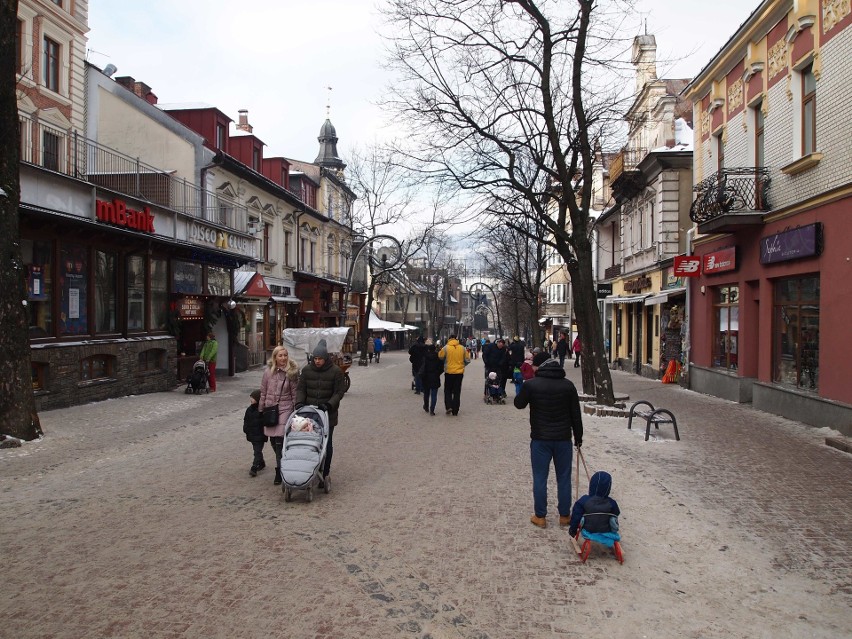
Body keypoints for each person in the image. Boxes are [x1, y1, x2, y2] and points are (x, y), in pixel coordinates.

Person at [513, 357, 583, 529]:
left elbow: (518, 404)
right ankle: (565, 515)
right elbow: (576, 414)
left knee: (540, 477)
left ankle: (540, 516)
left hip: (540, 439)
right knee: (564, 478)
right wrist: (579, 437)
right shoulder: (568, 385)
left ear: (539, 367)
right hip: (563, 439)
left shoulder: (532, 385)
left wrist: (523, 384)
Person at [296, 339, 346, 488]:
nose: (317, 361)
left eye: (320, 359)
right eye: (315, 358)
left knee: (326, 443)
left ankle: (325, 472)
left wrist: (329, 404)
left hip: (327, 414)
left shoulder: (336, 371)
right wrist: (299, 403)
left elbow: (339, 392)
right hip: (309, 414)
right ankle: (310, 470)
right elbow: (301, 389)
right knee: (309, 443)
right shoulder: (306, 370)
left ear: (326, 359)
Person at [259, 345, 299, 485]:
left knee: (279, 439)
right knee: (273, 440)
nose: (283, 358)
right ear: (275, 357)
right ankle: (281, 460)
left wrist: (295, 411)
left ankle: (279, 470)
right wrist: (261, 408)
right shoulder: (267, 372)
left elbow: (294, 393)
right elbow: (263, 391)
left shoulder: (291, 373)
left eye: (285, 355)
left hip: (285, 408)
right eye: (280, 355)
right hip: (270, 409)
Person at [568, 471, 621, 538]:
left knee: (578, 512)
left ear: (592, 485)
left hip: (588, 529)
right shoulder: (612, 503)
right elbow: (616, 513)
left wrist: (573, 530)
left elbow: (576, 516)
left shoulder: (584, 500)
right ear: (608, 487)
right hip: (606, 530)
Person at [438, 333, 469, 416]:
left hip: (449, 372)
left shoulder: (445, 348)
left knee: (447, 390)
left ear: (449, 339)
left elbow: (440, 357)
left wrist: (446, 362)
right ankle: (455, 410)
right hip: (459, 373)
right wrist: (462, 365)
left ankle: (448, 406)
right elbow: (467, 360)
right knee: (457, 391)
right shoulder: (462, 348)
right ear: (456, 339)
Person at [243, 389, 267, 477]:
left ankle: (254, 467)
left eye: (253, 398)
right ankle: (261, 462)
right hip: (252, 434)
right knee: (257, 450)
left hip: (260, 435)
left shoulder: (262, 410)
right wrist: (245, 429)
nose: (251, 400)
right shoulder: (249, 410)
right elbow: (246, 420)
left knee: (257, 451)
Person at [420, 340, 442, 416]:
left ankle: (426, 406)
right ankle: (432, 409)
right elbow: (441, 368)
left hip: (426, 377)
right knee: (434, 394)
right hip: (435, 376)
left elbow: (422, 367)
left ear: (428, 349)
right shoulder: (438, 357)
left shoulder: (425, 357)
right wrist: (438, 373)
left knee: (426, 393)